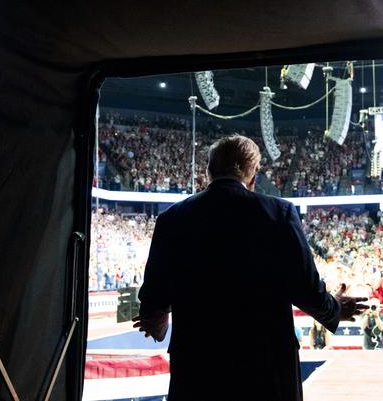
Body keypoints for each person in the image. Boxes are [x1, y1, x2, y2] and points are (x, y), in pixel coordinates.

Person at [133, 135, 367, 401]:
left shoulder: (171, 219)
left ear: (208, 171)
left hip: (198, 368)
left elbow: (154, 296)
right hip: (265, 367)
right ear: (253, 174)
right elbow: (305, 287)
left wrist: (158, 316)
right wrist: (335, 309)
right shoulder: (279, 213)